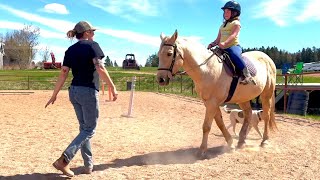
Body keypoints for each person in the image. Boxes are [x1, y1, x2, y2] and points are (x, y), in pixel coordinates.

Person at [45, 21, 118, 177]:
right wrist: (112, 86)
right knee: (89, 129)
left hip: (74, 92)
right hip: (88, 92)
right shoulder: (93, 46)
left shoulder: (70, 50)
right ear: (86, 33)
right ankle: (64, 160)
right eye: (92, 31)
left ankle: (88, 165)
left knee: (84, 128)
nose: (94, 34)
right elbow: (100, 68)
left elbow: (63, 73)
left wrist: (54, 94)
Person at [207, 1, 255, 85]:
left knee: (234, 54)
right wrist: (212, 44)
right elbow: (218, 39)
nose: (225, 13)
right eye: (224, 11)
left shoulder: (236, 23)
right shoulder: (222, 26)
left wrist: (225, 43)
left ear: (234, 13)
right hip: (222, 47)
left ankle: (247, 75)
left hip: (233, 46)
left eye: (228, 11)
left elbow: (233, 35)